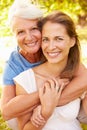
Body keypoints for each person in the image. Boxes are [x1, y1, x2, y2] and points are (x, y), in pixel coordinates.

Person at [1, 0, 87, 130]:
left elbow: (84, 78)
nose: (29, 37)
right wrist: (45, 96)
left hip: (68, 112)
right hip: (25, 113)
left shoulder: (54, 50)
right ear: (14, 35)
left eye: (34, 29)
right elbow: (7, 112)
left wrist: (50, 102)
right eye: (21, 32)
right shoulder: (15, 64)